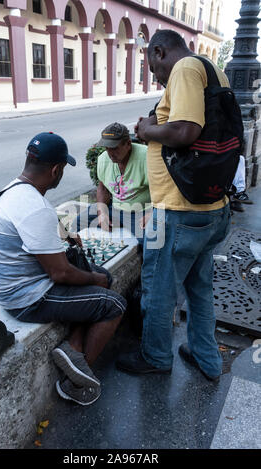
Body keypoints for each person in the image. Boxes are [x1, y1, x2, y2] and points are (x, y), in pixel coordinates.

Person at [116, 30, 232, 382]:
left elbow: (184, 131)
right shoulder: (213, 68)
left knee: (159, 290)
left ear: (160, 52)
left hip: (179, 212)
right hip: (212, 209)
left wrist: (148, 130)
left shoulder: (183, 69)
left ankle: (155, 356)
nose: (156, 76)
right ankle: (205, 356)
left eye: (154, 68)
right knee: (200, 289)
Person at [0, 132, 126, 405]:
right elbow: (60, 273)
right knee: (113, 303)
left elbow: (38, 232)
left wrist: (66, 235)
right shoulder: (34, 206)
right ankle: (76, 378)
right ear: (56, 170)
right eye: (62, 169)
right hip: (27, 298)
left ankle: (73, 345)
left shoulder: (15, 189)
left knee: (102, 278)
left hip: (17, 284)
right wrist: (93, 278)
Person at [74, 123, 151, 244]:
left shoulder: (146, 157)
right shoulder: (104, 159)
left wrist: (153, 213)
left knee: (150, 241)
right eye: (107, 148)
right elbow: (102, 188)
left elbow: (165, 190)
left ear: (128, 144)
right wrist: (102, 212)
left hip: (140, 211)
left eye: (114, 148)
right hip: (114, 208)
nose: (110, 153)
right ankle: (78, 258)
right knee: (78, 222)